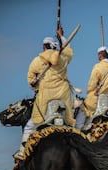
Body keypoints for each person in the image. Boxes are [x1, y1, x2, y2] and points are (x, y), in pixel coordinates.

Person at [14, 27, 75, 160]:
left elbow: (31, 82)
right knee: (73, 125)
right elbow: (69, 51)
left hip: (45, 97)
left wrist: (35, 85)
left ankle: (22, 152)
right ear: (54, 46)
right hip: (63, 96)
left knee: (30, 126)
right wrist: (62, 36)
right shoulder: (63, 57)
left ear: (43, 46)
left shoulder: (37, 61)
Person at [75, 46, 108, 130]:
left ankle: (79, 133)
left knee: (80, 115)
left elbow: (91, 85)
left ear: (100, 56)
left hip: (96, 101)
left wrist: (91, 90)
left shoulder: (98, 67)